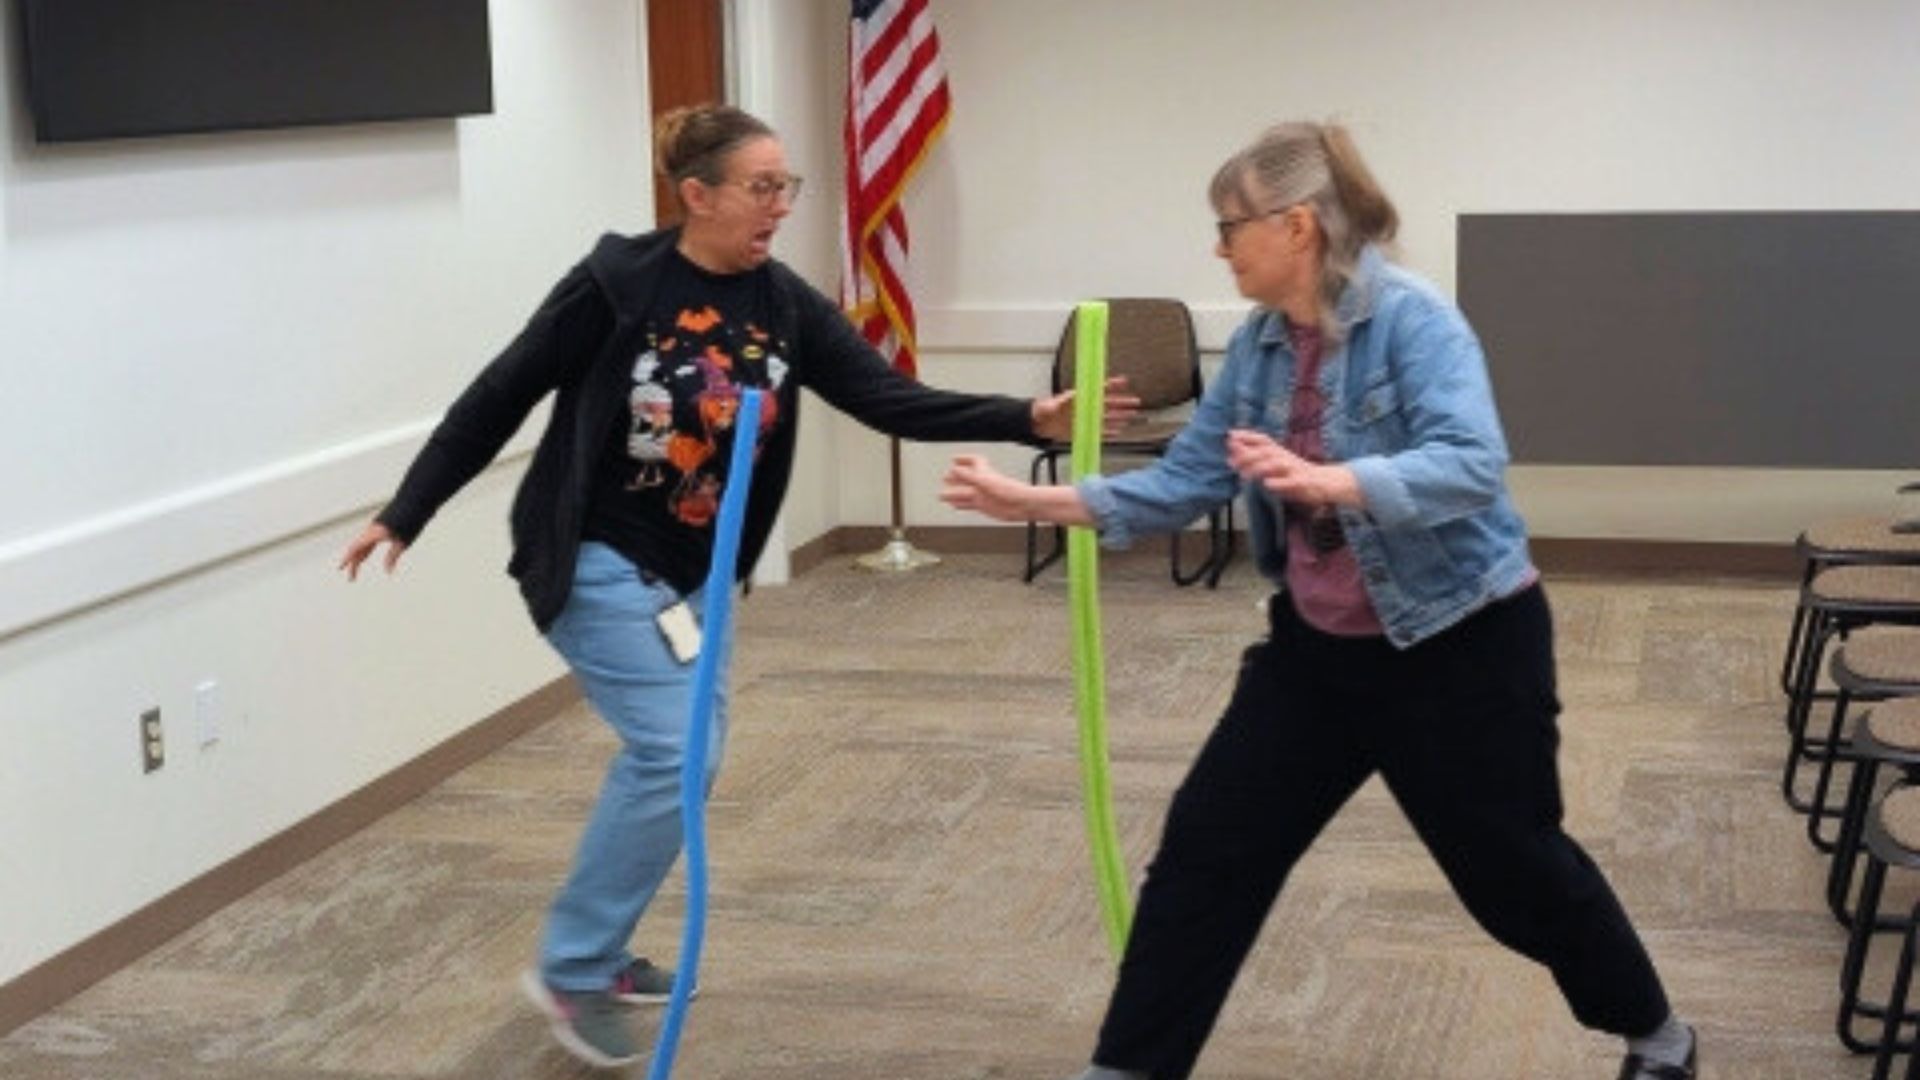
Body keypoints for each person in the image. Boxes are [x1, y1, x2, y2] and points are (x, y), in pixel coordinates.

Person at [339, 103, 1134, 1070]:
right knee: (675, 753)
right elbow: (499, 394)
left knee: (690, 759)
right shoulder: (617, 284)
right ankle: (573, 967)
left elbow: (886, 397)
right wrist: (407, 511)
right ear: (698, 195)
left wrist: (1027, 417)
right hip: (596, 557)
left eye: (785, 186)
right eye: (762, 188)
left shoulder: (780, 301)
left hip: (696, 578)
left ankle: (601, 950)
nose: (780, 206)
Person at [940, 121, 1697, 1080]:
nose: (1219, 249)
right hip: (1315, 655)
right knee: (1208, 853)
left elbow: (1471, 463)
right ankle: (1127, 1068)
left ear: (1295, 226)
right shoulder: (1259, 345)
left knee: (1514, 871)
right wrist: (1038, 501)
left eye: (1230, 226)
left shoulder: (1415, 320)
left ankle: (1659, 1037)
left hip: (1458, 645)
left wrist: (1330, 480)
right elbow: (1189, 477)